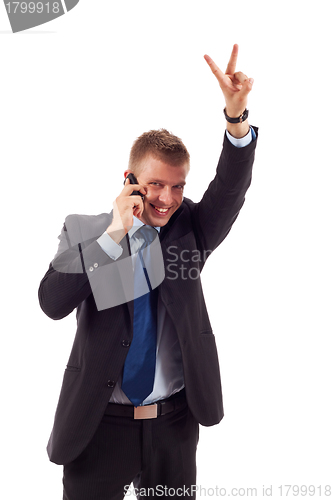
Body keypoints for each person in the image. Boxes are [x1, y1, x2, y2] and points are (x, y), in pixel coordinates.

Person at [38, 44, 258, 500]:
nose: (167, 198)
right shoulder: (86, 231)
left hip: (174, 425)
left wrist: (236, 122)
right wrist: (113, 235)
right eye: (156, 183)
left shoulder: (191, 230)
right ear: (130, 179)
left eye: (178, 186)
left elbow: (230, 190)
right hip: (98, 425)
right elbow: (52, 302)